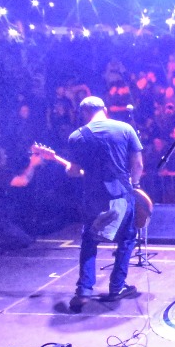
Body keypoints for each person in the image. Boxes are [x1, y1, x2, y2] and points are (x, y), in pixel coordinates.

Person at [56, 95, 144, 312]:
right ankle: (117, 287)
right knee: (127, 239)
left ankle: (84, 290)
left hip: (93, 197)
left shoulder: (77, 136)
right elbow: (138, 164)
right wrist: (135, 185)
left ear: (84, 113)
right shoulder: (125, 129)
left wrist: (68, 169)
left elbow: (74, 171)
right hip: (120, 195)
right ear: (104, 109)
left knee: (89, 241)